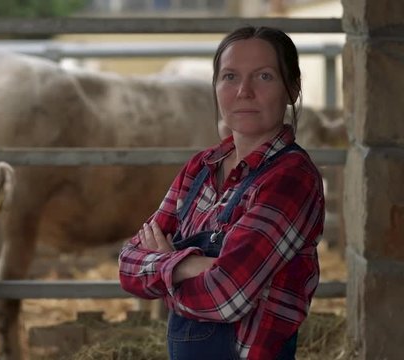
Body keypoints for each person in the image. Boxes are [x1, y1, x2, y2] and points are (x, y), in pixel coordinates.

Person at [118, 26, 324, 360]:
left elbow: (228, 296)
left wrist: (164, 265)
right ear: (216, 87)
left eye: (264, 76)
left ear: (292, 88)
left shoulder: (291, 178)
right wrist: (192, 266)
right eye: (230, 76)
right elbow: (128, 266)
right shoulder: (201, 167)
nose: (244, 91)